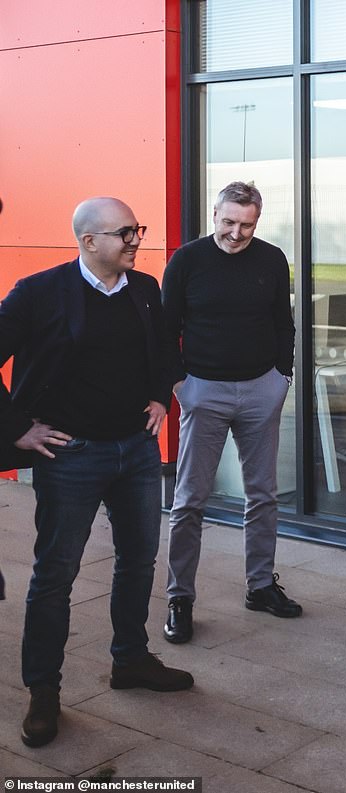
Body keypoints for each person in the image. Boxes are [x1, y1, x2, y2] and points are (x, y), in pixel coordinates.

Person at [0, 197, 194, 749]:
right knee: (55, 575)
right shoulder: (39, 292)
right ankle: (43, 691)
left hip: (135, 452)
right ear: (88, 242)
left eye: (137, 230)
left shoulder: (145, 289)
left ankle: (130, 660)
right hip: (71, 456)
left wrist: (160, 397)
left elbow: (162, 350)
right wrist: (17, 428)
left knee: (137, 561)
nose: (136, 239)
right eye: (125, 233)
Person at [162, 181, 300, 644]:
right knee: (189, 501)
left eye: (246, 225)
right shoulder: (187, 260)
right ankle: (179, 598)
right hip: (204, 390)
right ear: (214, 214)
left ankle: (261, 586)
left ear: (257, 221)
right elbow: (165, 329)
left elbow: (284, 321)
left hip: (262, 388)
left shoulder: (272, 259)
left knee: (263, 495)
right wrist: (181, 385)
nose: (236, 233)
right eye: (228, 222)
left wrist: (283, 376)